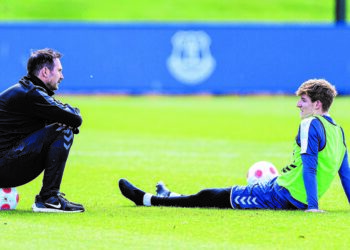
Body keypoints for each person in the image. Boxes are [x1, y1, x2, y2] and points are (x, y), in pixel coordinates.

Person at [118, 79, 350, 213]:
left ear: (317, 104)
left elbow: (310, 167)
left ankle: (147, 200)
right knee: (212, 197)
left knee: (212, 196)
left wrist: (312, 207)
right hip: (281, 188)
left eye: (304, 100)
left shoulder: (310, 123)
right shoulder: (338, 132)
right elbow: (345, 175)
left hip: (281, 195)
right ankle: (170, 196)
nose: (298, 104)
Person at [0, 48, 84, 213]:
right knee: (61, 129)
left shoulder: (26, 90)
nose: (62, 76)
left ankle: (49, 198)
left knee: (60, 125)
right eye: (59, 71)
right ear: (45, 72)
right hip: (4, 167)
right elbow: (75, 119)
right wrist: (69, 117)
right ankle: (49, 198)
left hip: (6, 162)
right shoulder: (31, 94)